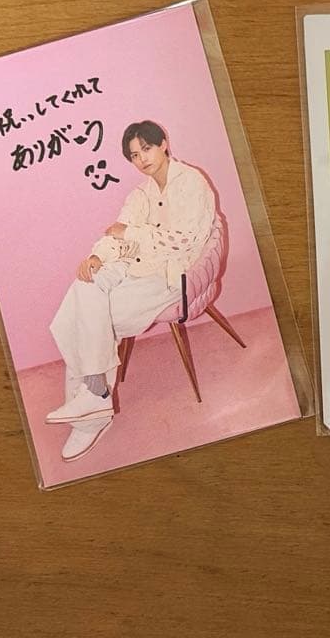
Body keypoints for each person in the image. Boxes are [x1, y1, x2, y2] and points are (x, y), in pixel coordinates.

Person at [45, 121, 215, 461]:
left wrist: (131, 234)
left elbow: (185, 240)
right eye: (134, 155)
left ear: (163, 143)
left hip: (170, 277)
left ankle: (92, 412)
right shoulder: (140, 194)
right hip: (135, 269)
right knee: (86, 286)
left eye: (146, 149)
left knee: (87, 321)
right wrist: (97, 256)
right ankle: (95, 396)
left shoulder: (192, 182)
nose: (142, 160)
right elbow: (116, 233)